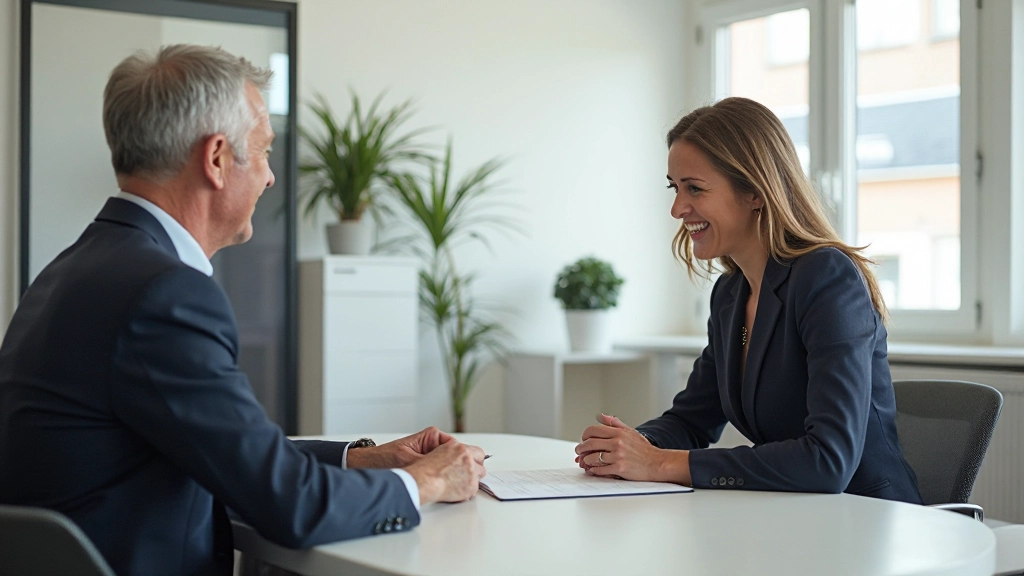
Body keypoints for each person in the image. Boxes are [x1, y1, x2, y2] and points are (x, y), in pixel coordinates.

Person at [0, 44, 486, 576]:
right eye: (263, 151)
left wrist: (363, 457)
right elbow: (290, 505)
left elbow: (230, 453)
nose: (270, 177)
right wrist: (428, 480)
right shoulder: (162, 294)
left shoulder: (75, 270)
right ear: (215, 159)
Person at [574, 97, 922, 504]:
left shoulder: (827, 278)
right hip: (792, 515)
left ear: (755, 192)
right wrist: (630, 447)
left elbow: (828, 461)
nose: (677, 208)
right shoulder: (730, 294)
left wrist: (660, 463)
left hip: (868, 518)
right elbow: (691, 420)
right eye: (675, 187)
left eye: (694, 188)